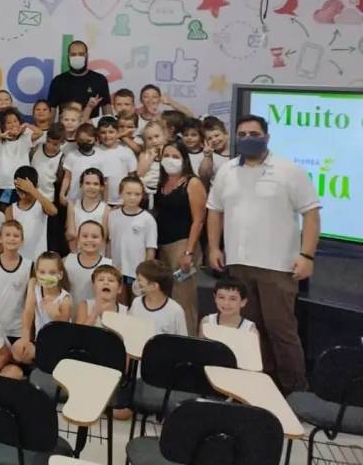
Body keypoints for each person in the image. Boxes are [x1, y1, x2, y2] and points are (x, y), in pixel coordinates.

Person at [206, 114, 320, 393]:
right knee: (250, 330)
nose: (248, 139)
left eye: (254, 134)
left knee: (281, 331)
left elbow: (311, 213)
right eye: (242, 135)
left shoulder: (288, 170)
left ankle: (296, 391)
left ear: (266, 137)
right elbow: (214, 211)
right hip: (238, 264)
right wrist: (213, 247)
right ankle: (260, 386)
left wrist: (307, 255)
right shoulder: (227, 171)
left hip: (278, 266)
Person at [155, 141, 206, 335]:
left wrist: (188, 252)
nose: (170, 160)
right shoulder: (162, 183)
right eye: (166, 156)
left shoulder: (192, 183)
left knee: (183, 298)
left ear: (184, 159)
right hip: (162, 246)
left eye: (175, 156)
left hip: (183, 245)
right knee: (164, 295)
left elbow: (198, 220)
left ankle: (187, 339)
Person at [0, 220, 32, 347]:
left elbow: (29, 300)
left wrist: (28, 330)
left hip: (17, 330)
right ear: (0, 238)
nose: (11, 239)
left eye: (16, 236)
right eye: (7, 235)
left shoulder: (29, 266)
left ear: (22, 240)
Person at [108, 175, 158, 303]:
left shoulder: (147, 219)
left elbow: (150, 248)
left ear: (142, 196)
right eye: (128, 193)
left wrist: (146, 273)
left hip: (137, 272)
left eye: (137, 194)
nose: (132, 197)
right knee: (120, 305)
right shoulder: (112, 216)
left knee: (138, 304)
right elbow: (109, 242)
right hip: (117, 269)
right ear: (121, 193)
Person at [15, 252, 71, 364]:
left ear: (60, 275)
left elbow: (65, 328)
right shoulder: (34, 286)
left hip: (60, 344)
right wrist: (25, 338)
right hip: (40, 341)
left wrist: (56, 315)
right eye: (42, 272)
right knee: (17, 352)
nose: (46, 276)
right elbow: (28, 312)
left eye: (52, 273)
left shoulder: (65, 298)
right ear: (36, 273)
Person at [4, 166, 58, 261]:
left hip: (39, 259)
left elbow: (53, 211)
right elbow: (7, 235)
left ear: (36, 186)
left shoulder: (41, 204)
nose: (23, 196)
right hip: (18, 259)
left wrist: (32, 190)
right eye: (20, 191)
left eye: (26, 192)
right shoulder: (10, 209)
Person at [47, 40, 111, 117]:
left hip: (90, 125)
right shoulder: (58, 81)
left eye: (81, 54)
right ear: (68, 56)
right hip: (65, 124)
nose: (77, 57)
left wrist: (110, 122)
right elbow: (50, 114)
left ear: (87, 56)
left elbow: (108, 114)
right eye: (73, 54)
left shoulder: (100, 80)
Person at [129, 259, 187, 336]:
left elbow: (182, 339)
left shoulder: (176, 311)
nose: (137, 283)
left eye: (139, 280)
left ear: (154, 286)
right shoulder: (136, 303)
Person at [64, 220, 112, 308]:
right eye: (85, 236)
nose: (89, 240)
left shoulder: (110, 266)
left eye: (95, 236)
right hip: (69, 313)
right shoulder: (66, 261)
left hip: (95, 314)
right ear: (78, 239)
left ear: (102, 240)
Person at [66, 168, 108, 251]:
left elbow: (104, 237)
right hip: (76, 252)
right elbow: (71, 234)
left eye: (96, 184)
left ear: (102, 187)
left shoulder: (106, 209)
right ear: (81, 185)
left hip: (98, 254)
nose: (91, 187)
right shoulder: (72, 206)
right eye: (87, 183)